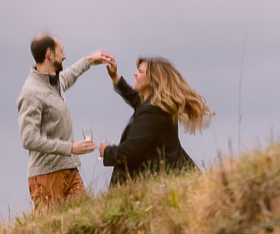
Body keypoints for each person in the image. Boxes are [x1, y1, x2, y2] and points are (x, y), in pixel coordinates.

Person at [18, 33, 114, 210]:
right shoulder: (31, 92)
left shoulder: (54, 82)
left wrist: (89, 60)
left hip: (70, 170)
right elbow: (28, 139)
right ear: (49, 54)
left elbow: (69, 75)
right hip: (46, 175)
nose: (65, 56)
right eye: (61, 52)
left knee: (85, 220)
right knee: (49, 233)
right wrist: (70, 148)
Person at [97, 57, 212, 186]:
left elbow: (130, 151)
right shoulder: (155, 106)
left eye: (140, 71)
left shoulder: (152, 112)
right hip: (168, 182)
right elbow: (135, 99)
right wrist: (115, 77)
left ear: (153, 80)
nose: (135, 73)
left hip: (159, 186)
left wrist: (106, 151)